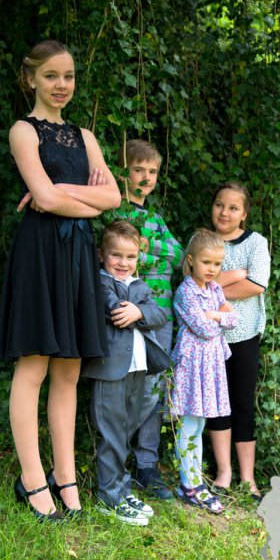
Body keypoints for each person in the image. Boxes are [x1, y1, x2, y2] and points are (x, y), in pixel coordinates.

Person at [0, 40, 121, 521]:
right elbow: (42, 201)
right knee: (35, 365)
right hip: (40, 254)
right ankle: (32, 480)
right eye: (51, 76)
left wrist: (60, 190)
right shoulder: (23, 131)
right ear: (31, 79)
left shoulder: (85, 137)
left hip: (78, 255)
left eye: (68, 75)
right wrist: (75, 198)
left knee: (68, 367)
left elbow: (113, 198)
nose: (61, 84)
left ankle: (66, 478)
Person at [83, 220, 170, 525]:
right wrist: (138, 311)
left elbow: (160, 314)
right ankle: (109, 497)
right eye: (116, 255)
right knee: (111, 434)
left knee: (125, 432)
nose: (123, 263)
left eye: (130, 257)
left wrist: (141, 311)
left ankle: (121, 489)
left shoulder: (140, 286)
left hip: (137, 369)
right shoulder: (101, 282)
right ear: (101, 254)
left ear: (138, 259)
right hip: (110, 370)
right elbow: (115, 310)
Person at [115, 139, 184, 499]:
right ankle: (115, 460)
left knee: (155, 391)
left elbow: (180, 255)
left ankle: (147, 465)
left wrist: (148, 247)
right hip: (128, 313)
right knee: (126, 388)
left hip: (162, 315)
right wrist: (145, 253)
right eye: (138, 169)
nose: (145, 177)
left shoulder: (155, 219)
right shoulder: (115, 212)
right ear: (123, 172)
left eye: (152, 171)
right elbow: (119, 257)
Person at [206, 183, 270, 501]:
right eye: (220, 205)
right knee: (216, 404)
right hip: (208, 338)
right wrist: (234, 276)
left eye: (233, 208)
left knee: (242, 404)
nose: (225, 212)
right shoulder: (203, 241)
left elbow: (257, 284)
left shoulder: (256, 242)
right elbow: (194, 282)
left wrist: (213, 287)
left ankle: (248, 478)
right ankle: (223, 474)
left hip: (244, 337)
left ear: (244, 214)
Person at [169, 228, 238, 514]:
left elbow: (233, 319)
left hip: (210, 366)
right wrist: (218, 317)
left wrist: (215, 315)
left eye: (217, 264)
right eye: (206, 262)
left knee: (199, 425)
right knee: (188, 425)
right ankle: (189, 485)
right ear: (191, 260)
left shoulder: (214, 289)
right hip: (192, 365)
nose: (212, 269)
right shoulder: (186, 291)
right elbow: (205, 328)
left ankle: (195, 482)